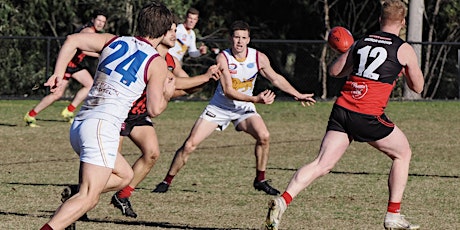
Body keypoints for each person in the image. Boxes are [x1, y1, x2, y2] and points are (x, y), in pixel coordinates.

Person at [264, 0, 424, 229]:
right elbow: (418, 87)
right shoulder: (403, 48)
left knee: (321, 163)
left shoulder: (362, 42)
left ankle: (284, 200)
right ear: (403, 23)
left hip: (343, 110)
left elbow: (335, 71)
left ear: (379, 20)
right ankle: (393, 215)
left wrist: (351, 54)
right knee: (403, 153)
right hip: (367, 115)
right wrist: (405, 70)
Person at [40, 2, 174, 229]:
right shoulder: (157, 62)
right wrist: (168, 93)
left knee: (124, 175)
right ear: (163, 32)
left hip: (82, 122)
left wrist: (58, 73)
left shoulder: (114, 40)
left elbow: (72, 40)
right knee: (89, 198)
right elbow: (154, 110)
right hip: (103, 127)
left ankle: (69, 209)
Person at [152, 20, 316, 195]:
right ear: (230, 39)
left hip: (243, 108)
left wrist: (296, 93)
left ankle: (260, 180)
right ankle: (166, 181)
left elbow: (276, 78)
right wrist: (255, 99)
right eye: (236, 37)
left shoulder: (258, 57)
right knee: (190, 145)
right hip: (219, 108)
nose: (240, 41)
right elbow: (229, 91)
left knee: (264, 136)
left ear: (249, 39)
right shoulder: (223, 58)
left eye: (244, 38)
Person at [110, 21, 221, 218]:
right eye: (171, 31)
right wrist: (203, 77)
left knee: (152, 154)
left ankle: (123, 195)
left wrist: (204, 80)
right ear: (159, 32)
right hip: (120, 112)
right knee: (108, 167)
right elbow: (175, 82)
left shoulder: (172, 60)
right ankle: (80, 193)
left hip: (139, 114)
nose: (175, 35)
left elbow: (184, 84)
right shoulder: (148, 55)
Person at [24, 10, 107, 127]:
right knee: (57, 94)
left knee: (90, 85)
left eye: (103, 22)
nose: (100, 23)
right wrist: (100, 54)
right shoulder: (88, 31)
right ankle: (31, 115)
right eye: (99, 20)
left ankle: (69, 110)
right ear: (93, 20)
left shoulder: (91, 31)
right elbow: (82, 48)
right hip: (68, 65)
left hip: (75, 65)